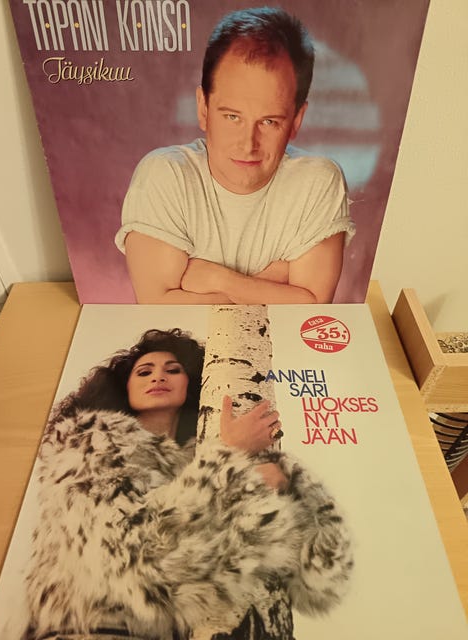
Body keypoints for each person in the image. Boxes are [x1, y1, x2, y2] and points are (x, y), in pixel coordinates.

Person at [20, 329, 353, 640]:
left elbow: (320, 585)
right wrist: (230, 459)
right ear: (124, 388)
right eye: (144, 371)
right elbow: (134, 560)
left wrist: (292, 491)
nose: (158, 377)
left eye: (173, 370)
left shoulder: (200, 460)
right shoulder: (86, 446)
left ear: (192, 384)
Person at [115, 7, 355, 305]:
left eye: (269, 121)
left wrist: (218, 280)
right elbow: (157, 308)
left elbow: (311, 310)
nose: (247, 144)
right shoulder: (164, 175)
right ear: (203, 108)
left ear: (296, 120)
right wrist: (275, 287)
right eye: (232, 117)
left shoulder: (317, 182)